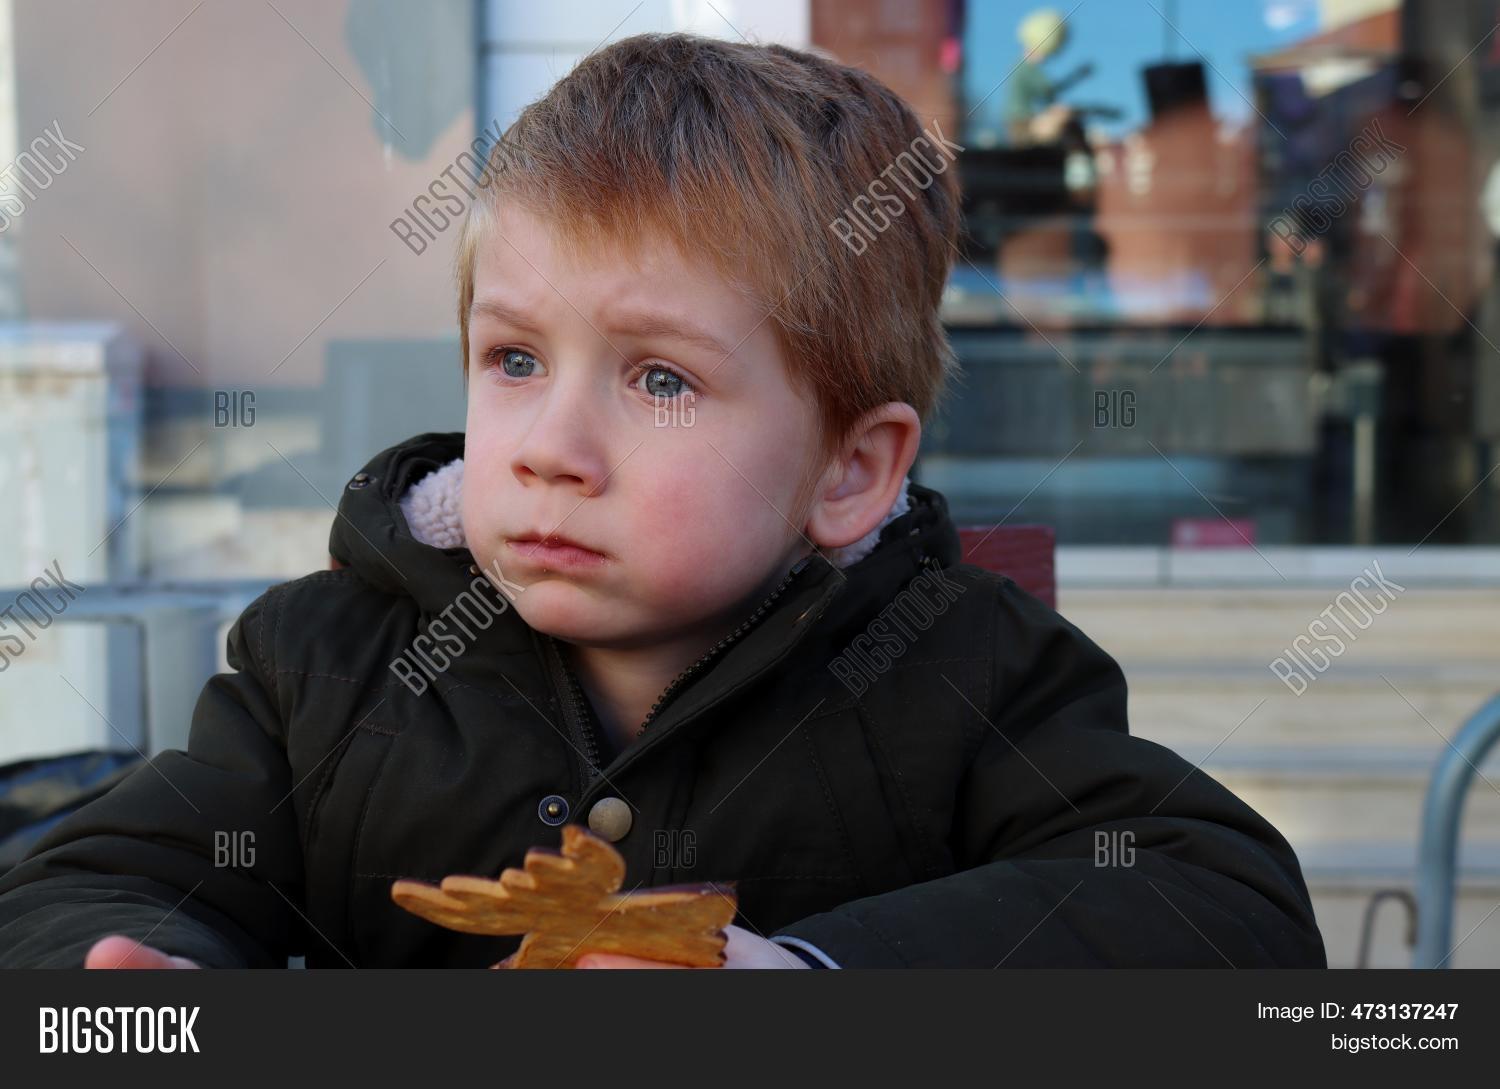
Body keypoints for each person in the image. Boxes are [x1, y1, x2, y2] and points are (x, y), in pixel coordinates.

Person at [0, 33, 1325, 969]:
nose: (553, 445)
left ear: (850, 469)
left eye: (660, 378)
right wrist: (148, 975)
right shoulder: (328, 670)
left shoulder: (963, 672)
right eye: (514, 358)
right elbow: (87, 878)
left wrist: (805, 976)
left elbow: (1223, 908)